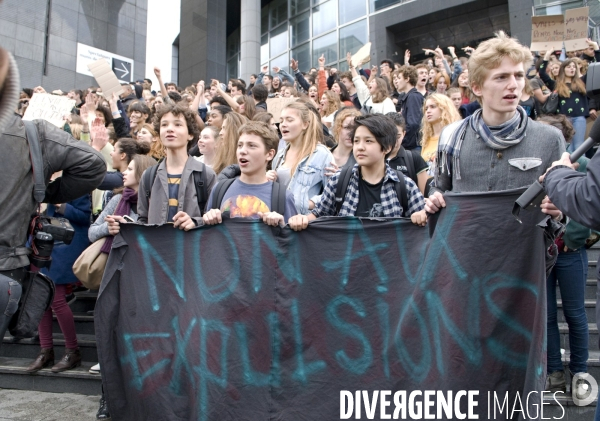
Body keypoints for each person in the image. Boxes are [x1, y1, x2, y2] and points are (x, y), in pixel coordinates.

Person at [425, 31, 565, 220]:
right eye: (501, 77)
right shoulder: (451, 135)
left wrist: (558, 211)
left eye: (519, 76)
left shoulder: (550, 138)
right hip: (465, 245)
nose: (513, 85)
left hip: (524, 247)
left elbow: (563, 214)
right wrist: (434, 198)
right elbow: (439, 187)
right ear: (477, 87)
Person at [288, 114, 426, 230]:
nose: (360, 147)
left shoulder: (405, 186)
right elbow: (319, 215)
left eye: (368, 141)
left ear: (386, 147)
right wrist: (302, 220)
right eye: (356, 141)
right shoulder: (339, 181)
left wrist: (421, 216)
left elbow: (424, 224)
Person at [26, 189, 92, 374]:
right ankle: (45, 350)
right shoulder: (39, 182)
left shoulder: (73, 182)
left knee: (57, 300)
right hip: (38, 245)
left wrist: (59, 205)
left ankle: (72, 351)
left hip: (61, 248)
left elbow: (84, 217)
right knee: (39, 300)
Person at [203, 121, 298, 226]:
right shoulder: (220, 189)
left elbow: (292, 240)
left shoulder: (283, 196)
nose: (242, 151)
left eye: (251, 146)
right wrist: (208, 218)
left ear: (270, 154)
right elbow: (207, 237)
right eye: (240, 145)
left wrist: (282, 225)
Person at [137, 103, 217, 227]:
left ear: (190, 135)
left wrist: (195, 222)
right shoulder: (149, 176)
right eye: (164, 125)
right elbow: (142, 219)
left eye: (178, 124)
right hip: (156, 245)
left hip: (192, 245)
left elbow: (213, 219)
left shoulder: (206, 175)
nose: (169, 129)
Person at [270, 102, 333, 215]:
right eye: (281, 120)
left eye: (289, 120)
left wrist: (308, 203)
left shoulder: (322, 154)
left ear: (305, 124)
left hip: (305, 224)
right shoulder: (279, 155)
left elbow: (332, 194)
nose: (283, 124)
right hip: (280, 221)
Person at [539, 40, 600, 150]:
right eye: (569, 67)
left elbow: (597, 67)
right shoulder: (556, 85)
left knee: (579, 147)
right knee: (567, 147)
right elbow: (542, 73)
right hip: (563, 119)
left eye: (574, 67)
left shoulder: (582, 81)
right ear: (563, 69)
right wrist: (547, 56)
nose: (572, 68)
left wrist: (596, 48)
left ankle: (579, 167)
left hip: (579, 118)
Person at [386, 112, 429, 195]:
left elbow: (423, 196)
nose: (393, 141)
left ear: (404, 134)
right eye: (389, 135)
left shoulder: (413, 158)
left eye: (397, 136)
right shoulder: (374, 159)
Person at [420, 93, 461, 176]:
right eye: (426, 108)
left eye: (433, 107)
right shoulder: (426, 139)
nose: (428, 111)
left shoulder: (454, 136)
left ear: (444, 109)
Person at [394, 66, 425, 152]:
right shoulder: (408, 97)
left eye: (399, 78)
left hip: (413, 147)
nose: (397, 81)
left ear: (407, 79)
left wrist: (401, 141)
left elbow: (413, 124)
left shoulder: (413, 97)